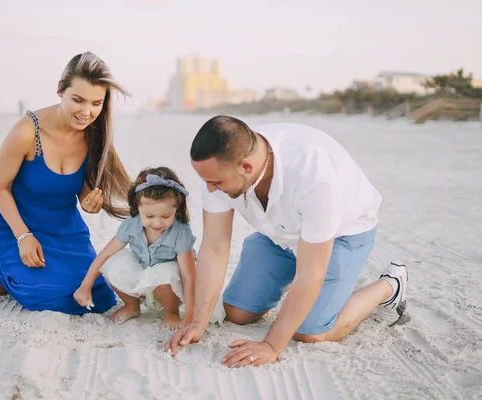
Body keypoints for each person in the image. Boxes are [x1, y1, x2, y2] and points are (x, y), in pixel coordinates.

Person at [165, 115, 409, 367]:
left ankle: (390, 285)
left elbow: (311, 272)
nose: (210, 190)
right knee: (237, 313)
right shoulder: (222, 168)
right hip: (279, 235)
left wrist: (271, 346)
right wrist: (196, 323)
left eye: (216, 182)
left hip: (341, 236)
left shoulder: (315, 176)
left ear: (246, 167)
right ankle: (306, 288)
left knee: (310, 331)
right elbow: (214, 248)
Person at [0, 51, 132, 315]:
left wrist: (90, 204)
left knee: (97, 297)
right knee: (48, 298)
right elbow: (0, 187)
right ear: (60, 91)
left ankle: (11, 270)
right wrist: (23, 237)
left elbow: (84, 194)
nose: (87, 112)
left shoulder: (94, 135)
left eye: (96, 103)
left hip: (65, 230)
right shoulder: (27, 131)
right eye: (78, 100)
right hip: (18, 227)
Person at [74, 167, 225, 329]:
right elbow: (104, 255)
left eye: (166, 216)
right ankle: (132, 305)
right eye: (149, 216)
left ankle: (171, 313)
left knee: (165, 274)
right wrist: (85, 286)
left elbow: (188, 277)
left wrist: (189, 317)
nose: (157, 223)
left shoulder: (180, 232)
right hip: (144, 274)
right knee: (114, 263)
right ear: (137, 208)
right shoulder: (131, 226)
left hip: (170, 284)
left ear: (177, 209)